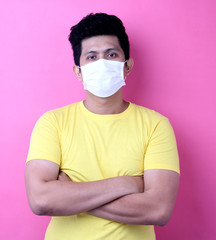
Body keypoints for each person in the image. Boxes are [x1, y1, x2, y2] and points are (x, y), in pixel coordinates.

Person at [24, 13, 180, 240]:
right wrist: (126, 184)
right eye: (92, 57)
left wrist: (71, 195)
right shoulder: (53, 123)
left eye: (111, 54)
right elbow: (41, 200)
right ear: (78, 71)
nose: (102, 63)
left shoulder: (156, 126)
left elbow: (158, 210)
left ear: (127, 66)